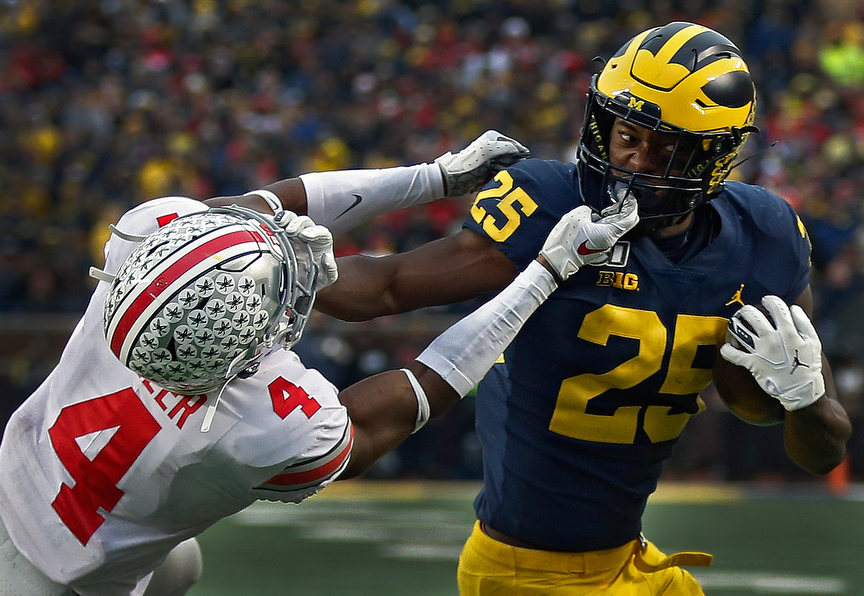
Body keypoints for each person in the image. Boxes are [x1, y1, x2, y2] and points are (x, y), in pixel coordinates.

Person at [263, 22, 852, 594]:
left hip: (630, 562)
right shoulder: (554, 204)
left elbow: (822, 450)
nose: (636, 161)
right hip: (528, 573)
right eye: (627, 135)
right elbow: (386, 288)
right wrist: (259, 253)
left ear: (713, 157)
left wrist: (805, 401)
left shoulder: (762, 233)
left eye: (663, 147)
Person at [0, 131, 560, 595]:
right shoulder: (266, 428)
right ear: (237, 352)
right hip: (68, 581)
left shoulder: (147, 240)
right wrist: (544, 277)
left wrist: (435, 176)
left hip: (22, 484)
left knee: (180, 565)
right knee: (171, 569)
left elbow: (252, 209)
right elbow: (411, 394)